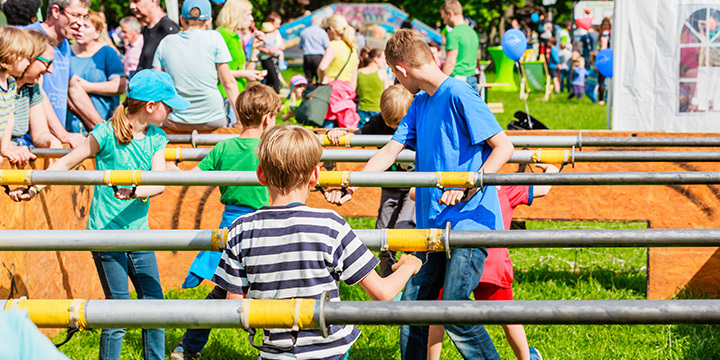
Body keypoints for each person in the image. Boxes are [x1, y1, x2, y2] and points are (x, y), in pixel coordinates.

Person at [325, 29, 514, 360]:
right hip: (431, 225)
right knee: (412, 311)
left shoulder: (459, 93)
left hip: (468, 222)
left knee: (454, 312)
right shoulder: (419, 104)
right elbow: (389, 152)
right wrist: (352, 184)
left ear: (400, 70)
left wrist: (465, 184)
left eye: (394, 76)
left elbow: (504, 147)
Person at [9, 69, 190, 360]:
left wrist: (134, 192)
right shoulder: (105, 133)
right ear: (151, 106)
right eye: (168, 106)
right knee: (116, 311)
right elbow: (66, 163)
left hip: (139, 234)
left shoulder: (157, 137)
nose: (171, 112)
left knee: (154, 305)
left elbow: (159, 182)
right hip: (106, 234)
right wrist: (34, 187)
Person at [212, 124, 423, 359]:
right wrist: (409, 266)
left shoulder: (241, 229)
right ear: (315, 176)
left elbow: (234, 305)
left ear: (260, 174)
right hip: (329, 351)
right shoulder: (330, 224)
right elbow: (383, 293)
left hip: (274, 352)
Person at [170, 83, 281, 360]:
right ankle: (279, 347)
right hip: (266, 226)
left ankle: (187, 347)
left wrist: (168, 167)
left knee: (223, 289)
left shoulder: (224, 147)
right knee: (277, 290)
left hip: (230, 229)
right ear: (268, 117)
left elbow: (193, 177)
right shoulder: (272, 147)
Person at [427, 163, 559, 360]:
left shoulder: (453, 189)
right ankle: (526, 358)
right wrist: (552, 169)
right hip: (492, 262)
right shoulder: (504, 187)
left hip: (455, 261)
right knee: (508, 317)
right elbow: (544, 188)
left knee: (438, 315)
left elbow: (415, 194)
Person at [326, 84, 416, 277]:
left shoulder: (416, 121)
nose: (393, 127)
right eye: (389, 122)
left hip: (415, 187)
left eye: (398, 123)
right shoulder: (377, 122)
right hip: (390, 186)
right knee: (382, 232)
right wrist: (340, 133)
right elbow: (357, 135)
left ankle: (411, 280)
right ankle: (387, 280)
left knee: (405, 228)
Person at [152, 0, 239, 132]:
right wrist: (240, 119)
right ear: (209, 21)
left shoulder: (165, 42)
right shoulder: (215, 38)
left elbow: (156, 85)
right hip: (213, 118)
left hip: (175, 119)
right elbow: (229, 83)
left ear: (182, 20)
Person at [24, 0, 103, 144]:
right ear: (55, 11)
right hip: (28, 143)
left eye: (84, 17)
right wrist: (63, 134)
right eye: (76, 15)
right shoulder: (31, 37)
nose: (80, 23)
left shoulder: (65, 44)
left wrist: (101, 126)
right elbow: (36, 90)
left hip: (52, 142)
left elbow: (73, 88)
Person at [69, 11, 128, 128]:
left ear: (97, 33)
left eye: (86, 26)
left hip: (103, 123)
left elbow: (121, 85)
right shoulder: (66, 51)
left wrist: (88, 87)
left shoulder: (107, 53)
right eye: (78, 26)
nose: (80, 29)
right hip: (70, 126)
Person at [214, 0, 265, 125]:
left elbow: (245, 70)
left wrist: (255, 50)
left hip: (237, 97)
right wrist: (245, 74)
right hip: (224, 97)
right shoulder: (222, 35)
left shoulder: (235, 36)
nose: (251, 18)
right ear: (237, 14)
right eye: (248, 14)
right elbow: (216, 72)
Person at [11, 30, 63, 149]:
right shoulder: (4, 86)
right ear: (30, 57)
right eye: (47, 63)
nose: (50, 70)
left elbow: (40, 133)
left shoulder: (31, 88)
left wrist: (52, 141)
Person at [0, 26, 35, 167]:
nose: (28, 63)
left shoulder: (11, 83)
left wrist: (5, 147)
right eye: (26, 58)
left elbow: (10, 118)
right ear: (11, 56)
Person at [317, 14, 360, 128]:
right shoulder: (353, 49)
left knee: (327, 127)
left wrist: (323, 79)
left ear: (331, 29)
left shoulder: (334, 45)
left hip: (331, 92)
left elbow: (322, 67)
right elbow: (354, 80)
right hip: (346, 93)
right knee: (345, 130)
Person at [440, 1, 479, 91]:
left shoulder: (453, 34)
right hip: (472, 79)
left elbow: (450, 63)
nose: (444, 21)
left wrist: (440, 83)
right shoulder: (473, 33)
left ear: (450, 13)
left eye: (444, 17)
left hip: (457, 81)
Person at [130, 0, 179, 72]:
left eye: (136, 1)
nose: (131, 6)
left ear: (153, 1)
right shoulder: (147, 30)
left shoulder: (168, 29)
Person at [356, 47, 391, 126]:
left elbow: (355, 91)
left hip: (361, 111)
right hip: (378, 111)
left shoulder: (359, 72)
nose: (385, 62)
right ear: (376, 59)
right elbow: (387, 93)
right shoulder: (382, 73)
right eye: (383, 58)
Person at [298, 14, 329, 83]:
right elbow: (327, 45)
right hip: (318, 56)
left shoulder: (304, 32)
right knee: (319, 77)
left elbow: (300, 46)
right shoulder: (322, 32)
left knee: (308, 78)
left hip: (307, 56)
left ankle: (308, 92)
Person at [258, 20, 282, 93]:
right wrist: (268, 51)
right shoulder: (268, 36)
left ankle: (268, 95)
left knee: (269, 79)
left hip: (265, 59)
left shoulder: (263, 36)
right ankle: (276, 94)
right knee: (274, 79)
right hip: (268, 59)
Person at [597, 17, 611, 105]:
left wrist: (599, 60)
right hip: (613, 57)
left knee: (601, 80)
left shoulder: (604, 34)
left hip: (605, 58)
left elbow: (603, 47)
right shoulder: (612, 33)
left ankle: (601, 99)